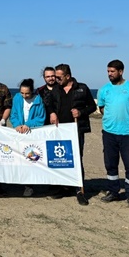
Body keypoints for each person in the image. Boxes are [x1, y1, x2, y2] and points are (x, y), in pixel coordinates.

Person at [45, 64, 97, 205]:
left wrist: (81, 113)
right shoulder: (56, 89)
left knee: (76, 158)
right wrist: (52, 113)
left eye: (59, 77)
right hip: (59, 129)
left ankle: (79, 190)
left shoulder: (82, 88)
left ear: (68, 76)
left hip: (76, 129)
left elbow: (92, 106)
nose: (56, 79)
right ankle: (62, 187)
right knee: (60, 158)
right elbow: (48, 103)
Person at [97, 59, 129, 207]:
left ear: (121, 71)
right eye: (108, 71)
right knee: (111, 164)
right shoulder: (103, 89)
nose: (109, 74)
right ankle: (113, 192)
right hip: (109, 133)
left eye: (112, 71)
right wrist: (110, 121)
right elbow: (102, 108)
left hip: (127, 134)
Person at [9, 78, 46, 197]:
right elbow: (13, 114)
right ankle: (19, 182)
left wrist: (28, 125)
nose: (24, 95)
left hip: (32, 133)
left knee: (31, 159)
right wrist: (17, 125)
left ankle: (29, 186)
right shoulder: (17, 98)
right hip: (19, 133)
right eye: (22, 93)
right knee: (19, 158)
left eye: (27, 93)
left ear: (32, 91)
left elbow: (41, 118)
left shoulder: (38, 100)